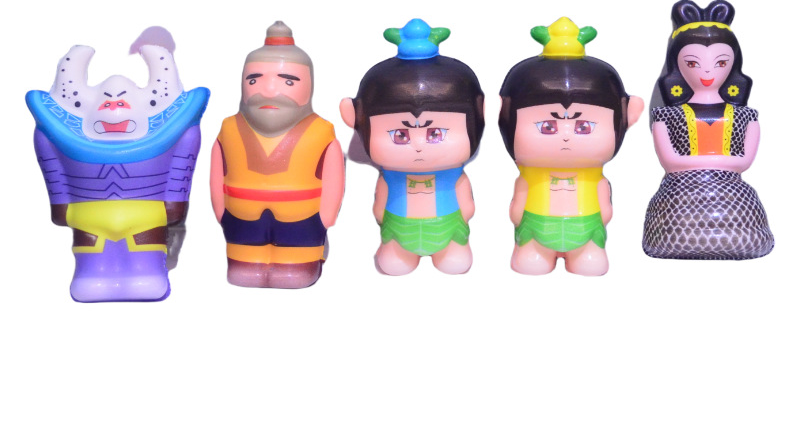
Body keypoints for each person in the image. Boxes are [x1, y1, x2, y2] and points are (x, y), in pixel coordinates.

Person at [26, 27, 209, 302]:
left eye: (122, 100)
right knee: (91, 262)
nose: (113, 108)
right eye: (106, 101)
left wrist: (174, 203)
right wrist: (60, 204)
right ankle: (91, 276)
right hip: (90, 218)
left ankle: (147, 275)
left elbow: (182, 163)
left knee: (145, 261)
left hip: (146, 217)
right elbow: (52, 165)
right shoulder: (54, 136)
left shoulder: (177, 133)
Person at [499, 17, 644, 275]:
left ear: (628, 116)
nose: (566, 137)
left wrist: (603, 214)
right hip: (536, 228)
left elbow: (604, 204)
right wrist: (518, 214)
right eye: (548, 127)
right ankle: (531, 252)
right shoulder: (529, 174)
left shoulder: (595, 176)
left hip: (586, 229)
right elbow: (518, 205)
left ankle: (587, 253)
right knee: (530, 264)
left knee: (591, 264)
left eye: (584, 127)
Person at [340, 19, 484, 275]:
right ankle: (396, 252)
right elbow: (380, 203)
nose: (419, 146)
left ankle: (451, 251)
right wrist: (381, 214)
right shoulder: (390, 175)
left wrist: (466, 211)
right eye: (400, 135)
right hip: (399, 227)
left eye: (435, 133)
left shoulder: (453, 174)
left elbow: (466, 202)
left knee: (455, 261)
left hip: (447, 225)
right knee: (394, 262)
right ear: (354, 117)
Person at [211, 22, 345, 288]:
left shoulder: (321, 130)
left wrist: (328, 215)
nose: (269, 90)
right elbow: (217, 169)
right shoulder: (229, 127)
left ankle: (299, 265)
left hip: (303, 215)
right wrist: (219, 209)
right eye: (254, 80)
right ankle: (244, 263)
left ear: (309, 85)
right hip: (240, 214)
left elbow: (334, 176)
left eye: (288, 81)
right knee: (244, 260)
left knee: (296, 260)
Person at [642, 0, 774, 259]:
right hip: (680, 196)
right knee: (674, 230)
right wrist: (720, 163)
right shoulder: (666, 116)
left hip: (733, 196)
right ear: (677, 64)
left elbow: (745, 161)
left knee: (747, 233)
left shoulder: (746, 116)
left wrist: (700, 164)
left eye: (720, 63)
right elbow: (669, 161)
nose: (707, 72)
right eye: (693, 63)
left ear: (733, 64)